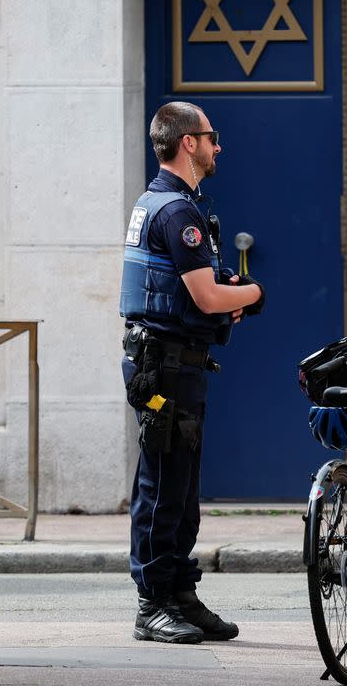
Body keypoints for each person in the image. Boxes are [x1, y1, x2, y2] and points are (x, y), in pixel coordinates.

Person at [119, 101, 265, 645]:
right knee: (161, 486)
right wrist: (252, 294)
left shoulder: (166, 203)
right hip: (165, 368)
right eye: (211, 137)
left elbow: (193, 293)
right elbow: (207, 296)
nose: (217, 146)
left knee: (180, 485)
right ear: (188, 143)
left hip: (174, 364)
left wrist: (220, 298)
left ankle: (180, 592)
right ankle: (152, 603)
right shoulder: (177, 212)